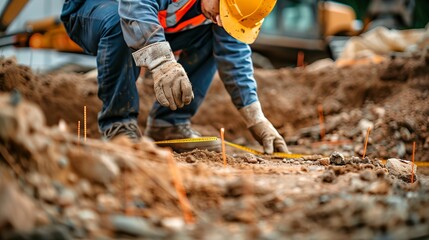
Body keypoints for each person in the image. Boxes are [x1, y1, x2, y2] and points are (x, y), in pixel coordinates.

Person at [61, 0, 289, 154]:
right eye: (223, 12)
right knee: (119, 21)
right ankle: (118, 125)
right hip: (93, 10)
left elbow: (234, 55)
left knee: (213, 37)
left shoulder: (221, 10)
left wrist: (256, 119)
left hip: (156, 24)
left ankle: (169, 124)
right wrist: (162, 63)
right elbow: (135, 6)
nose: (221, 19)